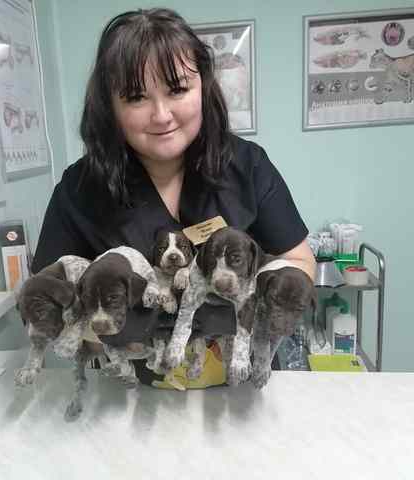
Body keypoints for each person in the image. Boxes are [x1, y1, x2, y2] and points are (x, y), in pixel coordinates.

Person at [31, 8, 315, 387]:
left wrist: (244, 310)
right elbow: (46, 297)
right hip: (136, 391)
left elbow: (299, 261)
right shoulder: (80, 189)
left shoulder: (247, 166)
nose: (162, 115)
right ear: (109, 105)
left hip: (241, 385)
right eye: (136, 97)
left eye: (177, 89)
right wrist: (117, 328)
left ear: (203, 87)